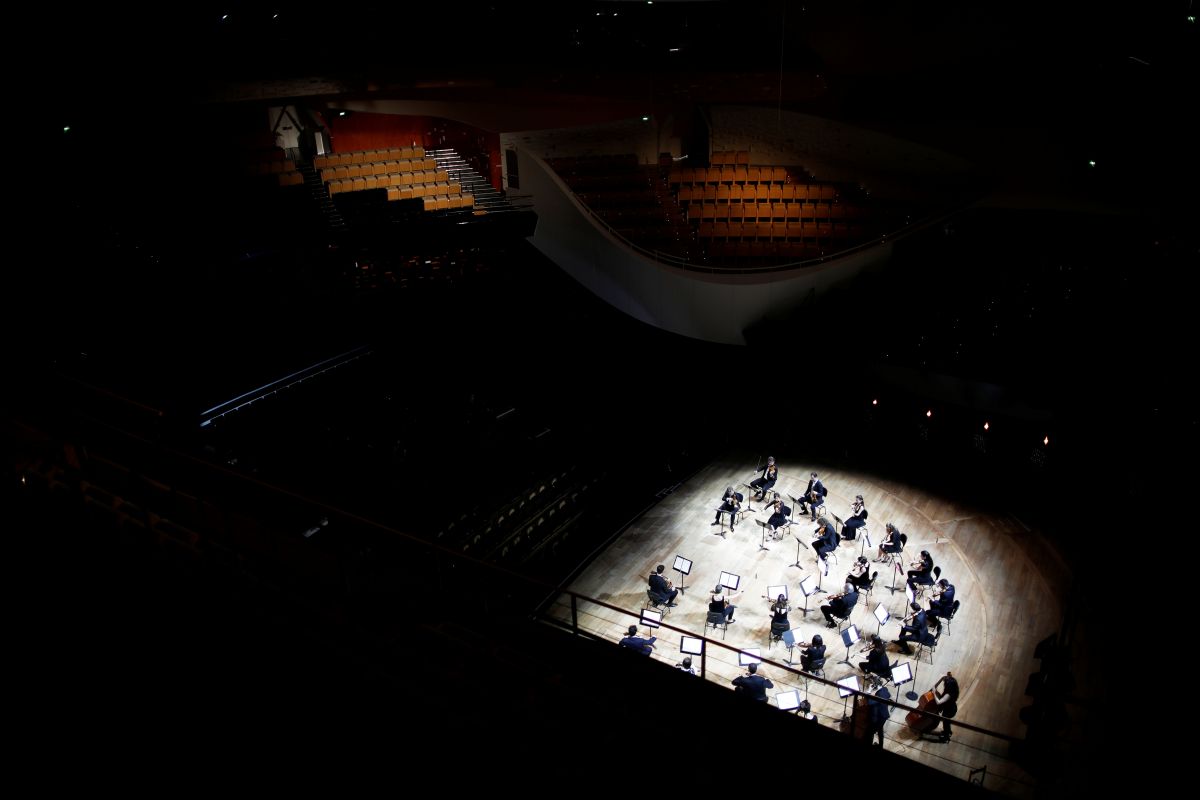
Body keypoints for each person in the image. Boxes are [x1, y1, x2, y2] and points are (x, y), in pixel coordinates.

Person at [931, 671, 960, 741]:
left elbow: (938, 702)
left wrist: (934, 693)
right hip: (950, 708)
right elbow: (935, 686)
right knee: (947, 722)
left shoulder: (948, 695)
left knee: (945, 723)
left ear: (948, 686)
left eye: (945, 684)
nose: (944, 684)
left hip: (949, 711)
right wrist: (941, 679)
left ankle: (946, 737)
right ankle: (948, 732)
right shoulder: (952, 687)